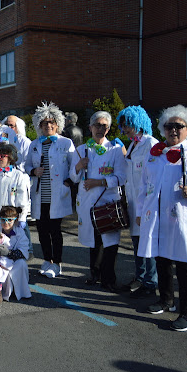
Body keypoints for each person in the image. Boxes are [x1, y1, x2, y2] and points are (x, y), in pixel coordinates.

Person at [137, 105, 187, 331]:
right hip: (157, 217)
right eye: (168, 126)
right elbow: (144, 187)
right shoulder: (155, 156)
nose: (173, 130)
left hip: (182, 218)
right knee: (161, 260)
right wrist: (140, 213)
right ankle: (166, 300)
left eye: (178, 126)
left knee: (184, 265)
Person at [71, 111, 126, 291]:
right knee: (94, 242)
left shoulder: (115, 150)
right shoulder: (80, 150)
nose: (100, 129)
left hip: (108, 202)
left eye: (104, 126)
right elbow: (73, 177)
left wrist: (100, 182)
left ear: (109, 129)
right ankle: (94, 274)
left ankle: (109, 279)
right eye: (97, 125)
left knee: (109, 242)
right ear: (90, 127)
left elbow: (121, 177)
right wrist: (79, 166)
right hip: (87, 202)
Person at [26, 102, 75, 279]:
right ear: (39, 125)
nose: (48, 125)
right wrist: (33, 171)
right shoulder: (34, 144)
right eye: (44, 123)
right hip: (40, 195)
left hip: (57, 194)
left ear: (58, 124)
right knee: (41, 230)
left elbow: (74, 166)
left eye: (51, 122)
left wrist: (68, 183)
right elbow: (27, 165)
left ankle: (57, 263)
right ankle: (47, 260)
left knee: (55, 230)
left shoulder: (66, 142)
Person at [116, 105, 159, 298]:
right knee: (136, 242)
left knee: (148, 243)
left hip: (147, 204)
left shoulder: (151, 144)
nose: (124, 129)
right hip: (133, 202)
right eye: (123, 125)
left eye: (127, 125)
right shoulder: (133, 145)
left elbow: (155, 177)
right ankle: (140, 278)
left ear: (138, 123)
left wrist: (146, 207)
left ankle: (151, 283)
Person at [0, 143, 31, 227]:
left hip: (12, 219)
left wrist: (22, 218)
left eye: (2, 156)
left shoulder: (18, 175)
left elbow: (22, 198)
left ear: (10, 158)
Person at [0, 206, 32, 301]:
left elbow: (24, 250)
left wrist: (8, 253)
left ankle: (21, 292)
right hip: (0, 260)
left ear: (15, 220)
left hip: (15, 259)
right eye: (3, 220)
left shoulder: (20, 232)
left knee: (21, 264)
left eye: (9, 220)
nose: (6, 223)